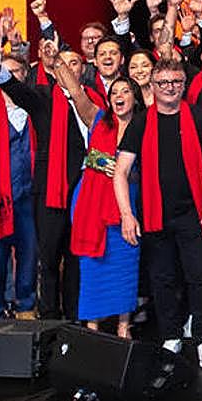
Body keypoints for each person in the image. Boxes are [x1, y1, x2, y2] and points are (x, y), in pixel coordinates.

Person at [113, 59, 202, 369]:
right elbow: (120, 171)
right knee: (162, 279)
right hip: (153, 214)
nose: (170, 88)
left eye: (176, 82)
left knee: (200, 277)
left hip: (195, 212)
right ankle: (171, 335)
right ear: (152, 85)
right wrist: (127, 214)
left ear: (183, 84)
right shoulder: (141, 122)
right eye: (163, 83)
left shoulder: (198, 115)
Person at [0, 39, 99, 320]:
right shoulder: (42, 98)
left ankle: (76, 318)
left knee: (79, 258)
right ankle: (50, 319)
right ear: (52, 70)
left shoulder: (97, 100)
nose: (66, 67)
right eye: (59, 64)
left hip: (88, 190)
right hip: (52, 191)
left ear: (82, 69)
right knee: (50, 258)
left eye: (73, 62)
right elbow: (17, 90)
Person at [66, 72, 143, 338]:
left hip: (128, 203)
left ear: (136, 97)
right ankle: (93, 329)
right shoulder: (98, 119)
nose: (119, 97)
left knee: (125, 263)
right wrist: (57, 62)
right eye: (114, 93)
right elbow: (76, 93)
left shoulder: (144, 126)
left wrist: (125, 172)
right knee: (92, 267)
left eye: (125, 92)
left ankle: (124, 326)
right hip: (91, 203)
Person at [0, 53, 37, 320]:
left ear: (25, 75)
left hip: (29, 197)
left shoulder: (35, 110)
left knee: (28, 257)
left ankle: (26, 306)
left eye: (16, 72)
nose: (11, 77)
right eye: (5, 72)